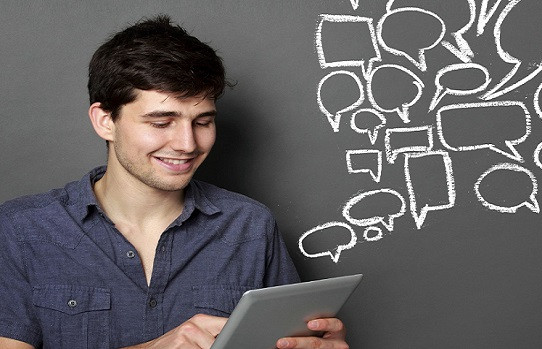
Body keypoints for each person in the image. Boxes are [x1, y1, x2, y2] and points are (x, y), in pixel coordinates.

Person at [0, 15, 349, 349]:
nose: (188, 144)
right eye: (161, 121)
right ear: (105, 121)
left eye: (202, 121)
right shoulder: (20, 230)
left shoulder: (251, 227)